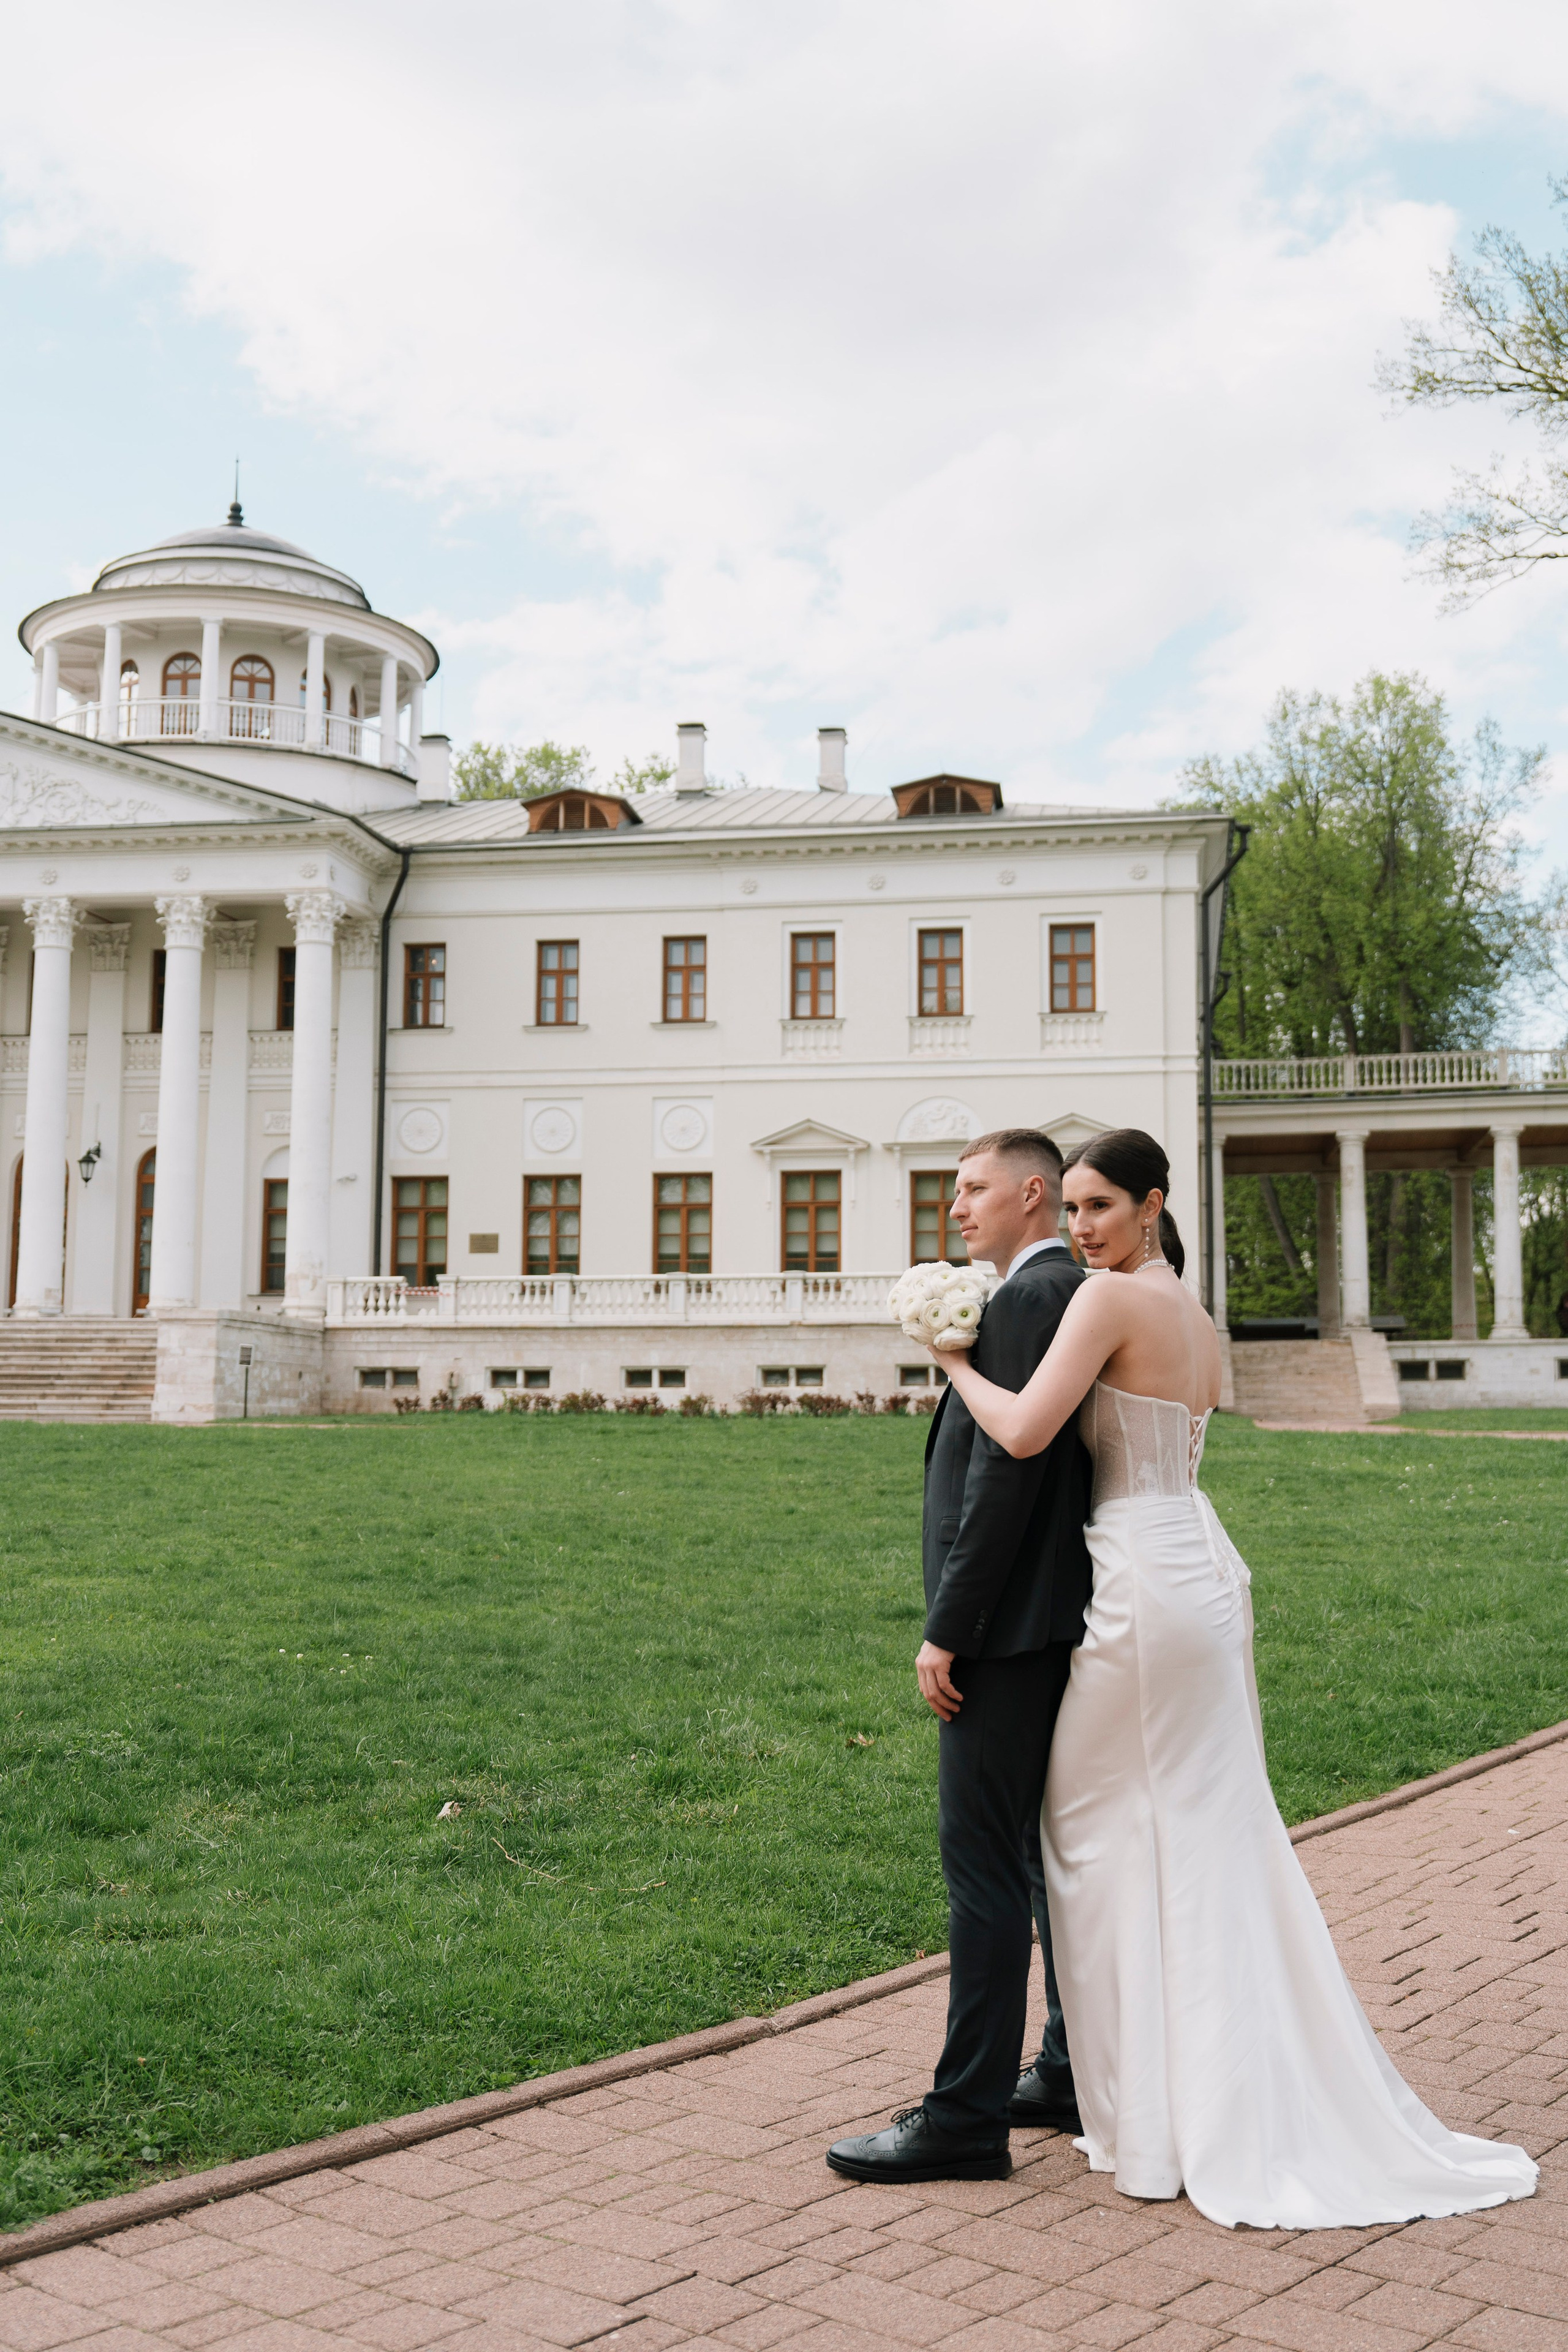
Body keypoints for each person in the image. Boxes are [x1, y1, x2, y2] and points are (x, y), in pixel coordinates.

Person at [919, 1127, 1537, 2230]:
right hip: (1196, 1559)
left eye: (1100, 1207)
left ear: (1151, 1206)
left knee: (1087, 1834)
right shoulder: (1193, 1313)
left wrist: (955, 1359)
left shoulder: (1109, 1302)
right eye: (1072, 1209)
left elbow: (1021, 1433)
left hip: (1143, 1584)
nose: (1081, 1229)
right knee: (1199, 1825)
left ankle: (1149, 2091)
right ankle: (1159, 2073)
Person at [827, 1128, 1093, 2185]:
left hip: (1007, 1629)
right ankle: (1064, 2069)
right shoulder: (1055, 1291)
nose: (956, 1207)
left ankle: (965, 2118)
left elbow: (1004, 1481)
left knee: (982, 1865)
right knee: (1033, 1858)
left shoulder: (1030, 1300)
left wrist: (951, 1627)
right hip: (1043, 1620)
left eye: (974, 1188)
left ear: (1033, 1192)